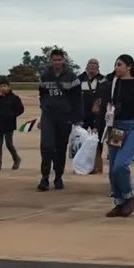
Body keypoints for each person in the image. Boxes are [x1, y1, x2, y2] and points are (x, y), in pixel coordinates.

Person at [103, 54, 134, 217]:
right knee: (112, 169)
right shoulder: (114, 83)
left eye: (119, 65)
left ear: (129, 67)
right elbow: (111, 103)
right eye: (115, 65)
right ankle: (119, 201)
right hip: (116, 127)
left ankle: (129, 196)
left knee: (121, 165)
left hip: (133, 127)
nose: (116, 67)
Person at [37, 49, 82, 192]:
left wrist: (76, 118)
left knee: (60, 148)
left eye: (59, 60)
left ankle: (58, 177)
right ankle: (44, 177)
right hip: (49, 116)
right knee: (47, 146)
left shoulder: (71, 77)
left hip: (65, 117)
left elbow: (77, 99)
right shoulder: (45, 76)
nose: (57, 62)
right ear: (51, 61)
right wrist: (44, 108)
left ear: (63, 60)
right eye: (54, 60)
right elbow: (42, 94)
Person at [0, 79, 24, 171]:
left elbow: (21, 109)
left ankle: (16, 159)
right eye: (1, 86)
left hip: (9, 124)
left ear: (9, 87)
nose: (2, 88)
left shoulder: (14, 98)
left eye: (4, 86)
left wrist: (12, 115)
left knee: (9, 144)